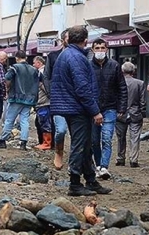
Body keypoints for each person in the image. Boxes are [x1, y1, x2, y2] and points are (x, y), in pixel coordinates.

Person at [50, 26, 112, 197]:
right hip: (77, 108)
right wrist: (95, 111)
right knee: (80, 145)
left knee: (85, 145)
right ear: (86, 41)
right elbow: (83, 88)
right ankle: (75, 183)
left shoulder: (66, 55)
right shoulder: (77, 57)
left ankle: (91, 180)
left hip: (70, 106)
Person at [90, 39, 128, 179]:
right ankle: (98, 165)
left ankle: (104, 166)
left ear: (106, 49)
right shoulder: (88, 66)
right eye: (97, 48)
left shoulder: (114, 65)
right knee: (94, 140)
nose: (100, 50)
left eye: (102, 48)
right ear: (93, 49)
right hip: (93, 109)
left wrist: (122, 107)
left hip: (110, 108)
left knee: (106, 138)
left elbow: (122, 87)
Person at [0, 51, 40, 150]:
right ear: (26, 57)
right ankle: (23, 143)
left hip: (16, 97)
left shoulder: (15, 68)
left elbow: (6, 79)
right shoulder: (34, 70)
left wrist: (7, 89)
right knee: (24, 121)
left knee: (9, 120)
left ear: (17, 58)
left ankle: (2, 140)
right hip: (29, 99)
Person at [46, 29, 70, 169]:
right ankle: (59, 151)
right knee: (60, 130)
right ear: (62, 40)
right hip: (59, 100)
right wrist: (52, 94)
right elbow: (47, 76)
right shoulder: (53, 56)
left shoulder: (83, 56)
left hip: (76, 101)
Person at [115, 61, 145, 168]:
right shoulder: (139, 83)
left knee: (120, 137)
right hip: (135, 113)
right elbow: (142, 100)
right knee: (135, 138)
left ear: (122, 71)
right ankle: (134, 159)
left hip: (120, 113)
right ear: (133, 71)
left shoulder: (117, 83)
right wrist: (142, 112)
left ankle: (120, 158)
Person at [33, 56, 53, 150]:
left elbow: (45, 88)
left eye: (34, 63)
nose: (33, 65)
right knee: (42, 122)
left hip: (43, 102)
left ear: (39, 63)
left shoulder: (41, 74)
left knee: (44, 122)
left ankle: (46, 143)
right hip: (44, 102)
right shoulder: (45, 72)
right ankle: (46, 142)